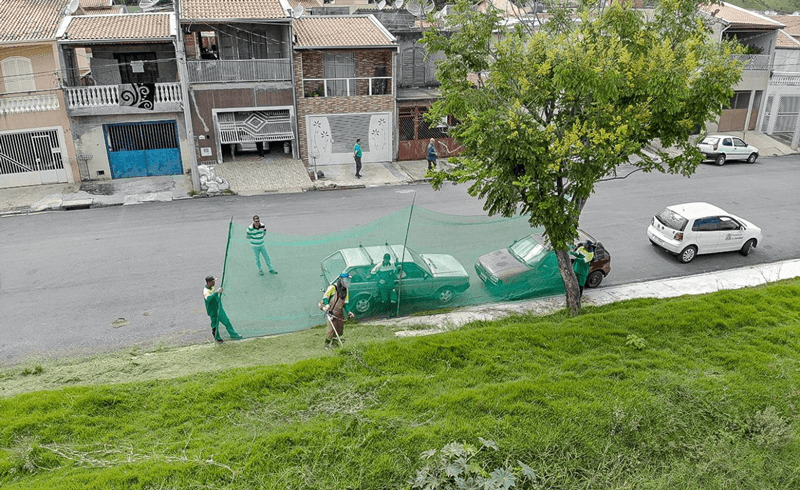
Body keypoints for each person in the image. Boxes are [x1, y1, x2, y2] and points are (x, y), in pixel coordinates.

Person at [203, 275, 242, 343]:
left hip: (219, 308)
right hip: (213, 312)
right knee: (215, 325)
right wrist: (217, 292)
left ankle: (233, 334)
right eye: (212, 282)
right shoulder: (205, 291)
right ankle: (217, 338)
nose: (214, 283)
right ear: (208, 282)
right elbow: (209, 299)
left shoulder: (212, 287)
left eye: (214, 281)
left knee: (226, 321)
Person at [321, 272, 355, 347]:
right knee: (331, 330)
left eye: (348, 280)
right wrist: (326, 305)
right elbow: (325, 297)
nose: (347, 282)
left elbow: (345, 303)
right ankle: (326, 345)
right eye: (346, 280)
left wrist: (349, 312)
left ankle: (335, 344)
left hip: (339, 312)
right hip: (331, 312)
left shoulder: (346, 290)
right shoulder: (333, 287)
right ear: (341, 280)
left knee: (339, 330)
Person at [371, 253, 398, 317]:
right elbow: (372, 273)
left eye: (387, 260)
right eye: (385, 260)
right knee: (385, 300)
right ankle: (387, 313)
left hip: (391, 285)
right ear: (383, 259)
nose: (386, 261)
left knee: (394, 299)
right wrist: (379, 280)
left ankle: (393, 312)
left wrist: (398, 269)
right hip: (383, 286)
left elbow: (395, 272)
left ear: (389, 260)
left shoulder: (392, 265)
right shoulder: (379, 266)